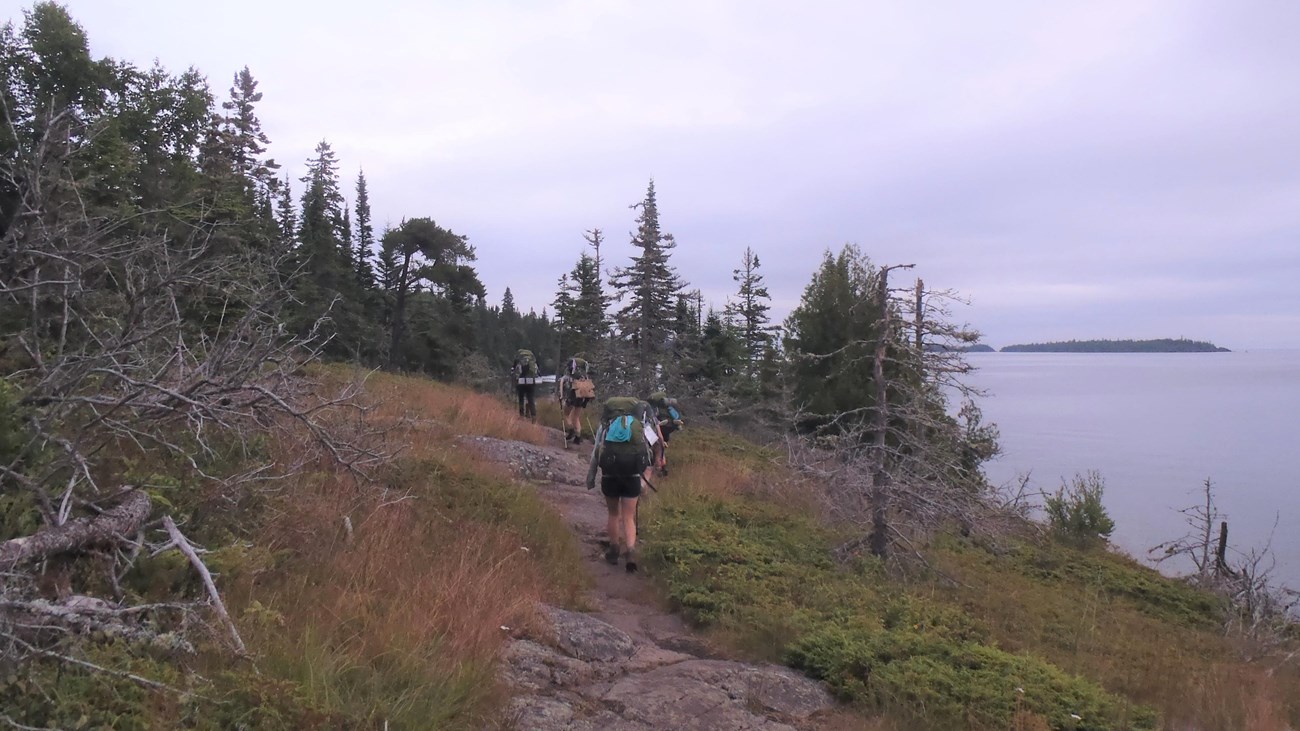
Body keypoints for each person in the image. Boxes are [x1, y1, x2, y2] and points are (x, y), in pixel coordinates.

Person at [586, 397, 656, 572]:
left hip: (610, 475)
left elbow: (596, 453)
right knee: (629, 516)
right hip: (632, 475)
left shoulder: (606, 427)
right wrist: (646, 476)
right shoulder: (641, 427)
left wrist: (591, 476)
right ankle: (631, 552)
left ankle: (614, 550)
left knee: (613, 513)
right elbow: (652, 451)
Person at [557, 355, 596, 446]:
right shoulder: (585, 377)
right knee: (576, 417)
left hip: (573, 396)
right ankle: (578, 437)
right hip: (583, 397)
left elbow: (562, 382)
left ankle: (571, 430)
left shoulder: (569, 375)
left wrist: (561, 396)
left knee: (566, 413)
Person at [646, 392, 684, 476]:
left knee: (658, 449)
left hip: (655, 431)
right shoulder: (668, 409)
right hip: (666, 430)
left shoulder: (652, 409)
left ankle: (658, 468)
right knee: (660, 449)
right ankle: (661, 468)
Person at [512, 348, 539, 420]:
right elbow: (537, 372)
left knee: (521, 398)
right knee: (530, 398)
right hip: (531, 381)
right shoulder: (532, 360)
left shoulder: (518, 359)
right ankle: (533, 415)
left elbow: (513, 370)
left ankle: (521, 416)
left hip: (521, 381)